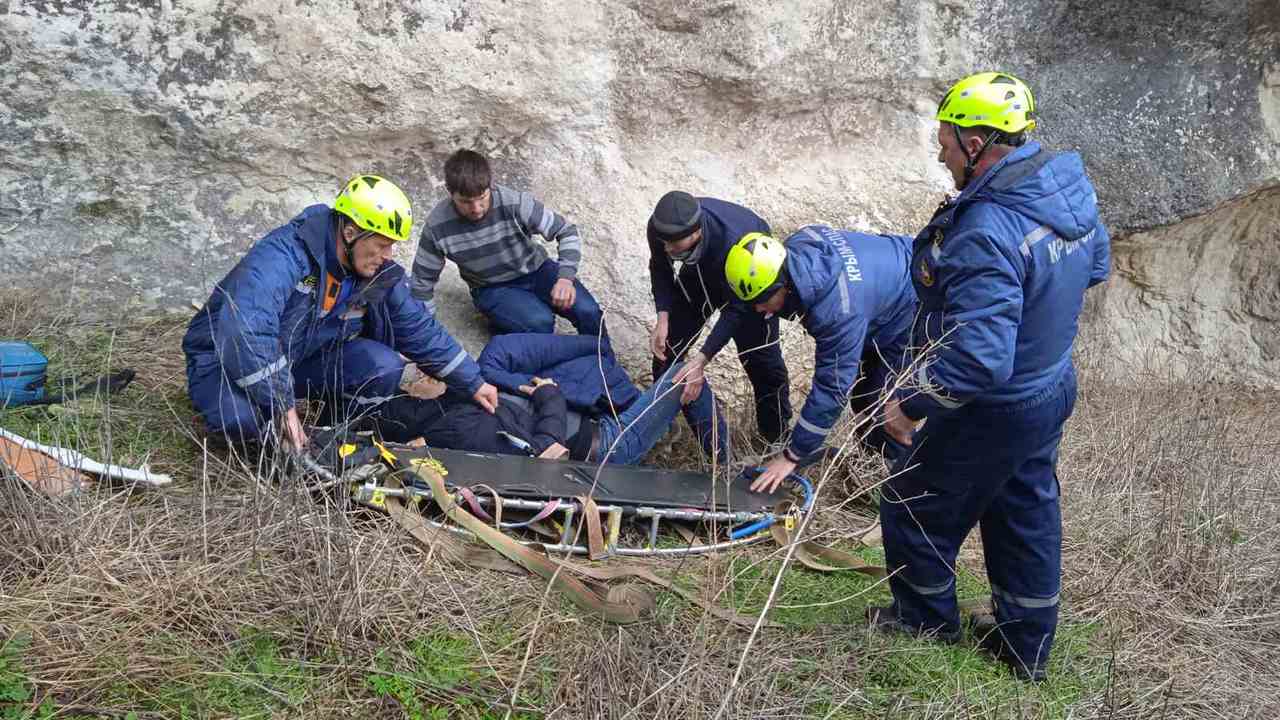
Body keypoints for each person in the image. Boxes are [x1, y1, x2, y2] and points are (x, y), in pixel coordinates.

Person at [869, 72, 1111, 682]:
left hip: (994, 404)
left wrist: (910, 404)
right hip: (1049, 386)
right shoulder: (1064, 186)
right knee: (1022, 509)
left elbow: (979, 358)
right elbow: (1096, 264)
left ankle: (924, 629)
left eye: (947, 138)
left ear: (978, 141)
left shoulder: (987, 227)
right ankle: (1026, 646)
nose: (941, 149)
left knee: (911, 503)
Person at [182, 175, 499, 452]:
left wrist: (473, 382)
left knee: (382, 365)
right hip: (224, 360)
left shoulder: (372, 272)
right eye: (383, 244)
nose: (388, 256)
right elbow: (245, 332)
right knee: (241, 419)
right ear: (350, 233)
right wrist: (282, 405)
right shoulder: (284, 256)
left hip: (297, 359)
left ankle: (330, 435)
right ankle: (271, 438)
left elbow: (417, 329)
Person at [724, 226, 917, 493]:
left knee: (882, 405)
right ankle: (879, 471)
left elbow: (832, 387)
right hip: (893, 280)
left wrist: (793, 455)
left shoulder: (837, 310)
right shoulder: (801, 244)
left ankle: (906, 491)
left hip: (917, 303)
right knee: (864, 398)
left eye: (762, 300)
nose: (759, 309)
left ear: (783, 285)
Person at [647, 192, 792, 461]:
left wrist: (702, 359)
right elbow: (660, 267)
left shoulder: (734, 238)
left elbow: (737, 310)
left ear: (697, 232)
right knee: (667, 348)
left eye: (674, 245)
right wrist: (663, 316)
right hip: (700, 274)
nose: (668, 248)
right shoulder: (662, 228)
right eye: (664, 242)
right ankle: (660, 427)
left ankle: (776, 444)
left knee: (763, 365)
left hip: (750, 279)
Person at [410, 149, 605, 337]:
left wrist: (565, 278)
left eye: (482, 198)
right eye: (466, 202)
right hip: (491, 287)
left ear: (491, 185)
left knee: (589, 311)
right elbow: (421, 283)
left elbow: (566, 230)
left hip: (537, 270)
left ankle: (604, 364)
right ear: (449, 192)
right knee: (539, 322)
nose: (476, 209)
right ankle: (505, 326)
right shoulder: (437, 225)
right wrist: (425, 335)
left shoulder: (515, 203)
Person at [420, 333, 697, 465]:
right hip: (606, 446)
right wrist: (548, 395)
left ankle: (668, 441)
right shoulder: (460, 424)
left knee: (687, 373)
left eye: (424, 378)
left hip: (598, 423)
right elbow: (542, 451)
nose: (420, 383)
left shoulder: (480, 388)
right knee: (688, 372)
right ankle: (720, 457)